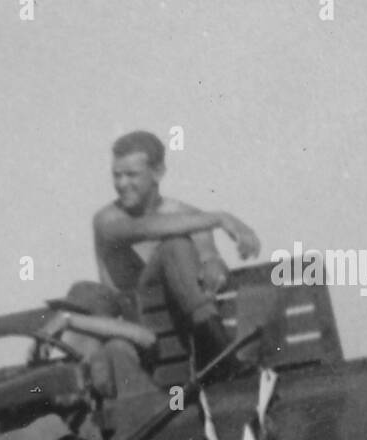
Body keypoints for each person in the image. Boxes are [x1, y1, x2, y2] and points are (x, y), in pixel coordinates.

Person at [92, 130, 260, 373]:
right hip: (137, 337)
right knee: (176, 245)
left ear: (158, 173)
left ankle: (217, 355)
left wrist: (214, 267)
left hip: (181, 336)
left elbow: (209, 258)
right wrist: (221, 218)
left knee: (178, 247)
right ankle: (220, 356)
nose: (121, 184)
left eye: (131, 175)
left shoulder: (189, 216)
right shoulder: (107, 219)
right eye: (116, 175)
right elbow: (143, 228)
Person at [38, 281, 161, 398]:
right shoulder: (70, 372)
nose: (65, 334)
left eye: (78, 324)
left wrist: (68, 319)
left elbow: (147, 338)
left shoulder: (118, 352)